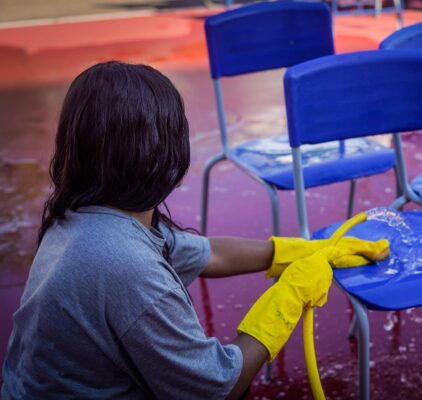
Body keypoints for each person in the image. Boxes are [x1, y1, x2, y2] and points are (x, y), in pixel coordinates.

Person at [1, 61, 389, 399]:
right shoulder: (124, 265)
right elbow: (217, 387)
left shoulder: (85, 215)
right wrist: (288, 297)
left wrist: (293, 252)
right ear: (166, 157)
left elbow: (210, 254)